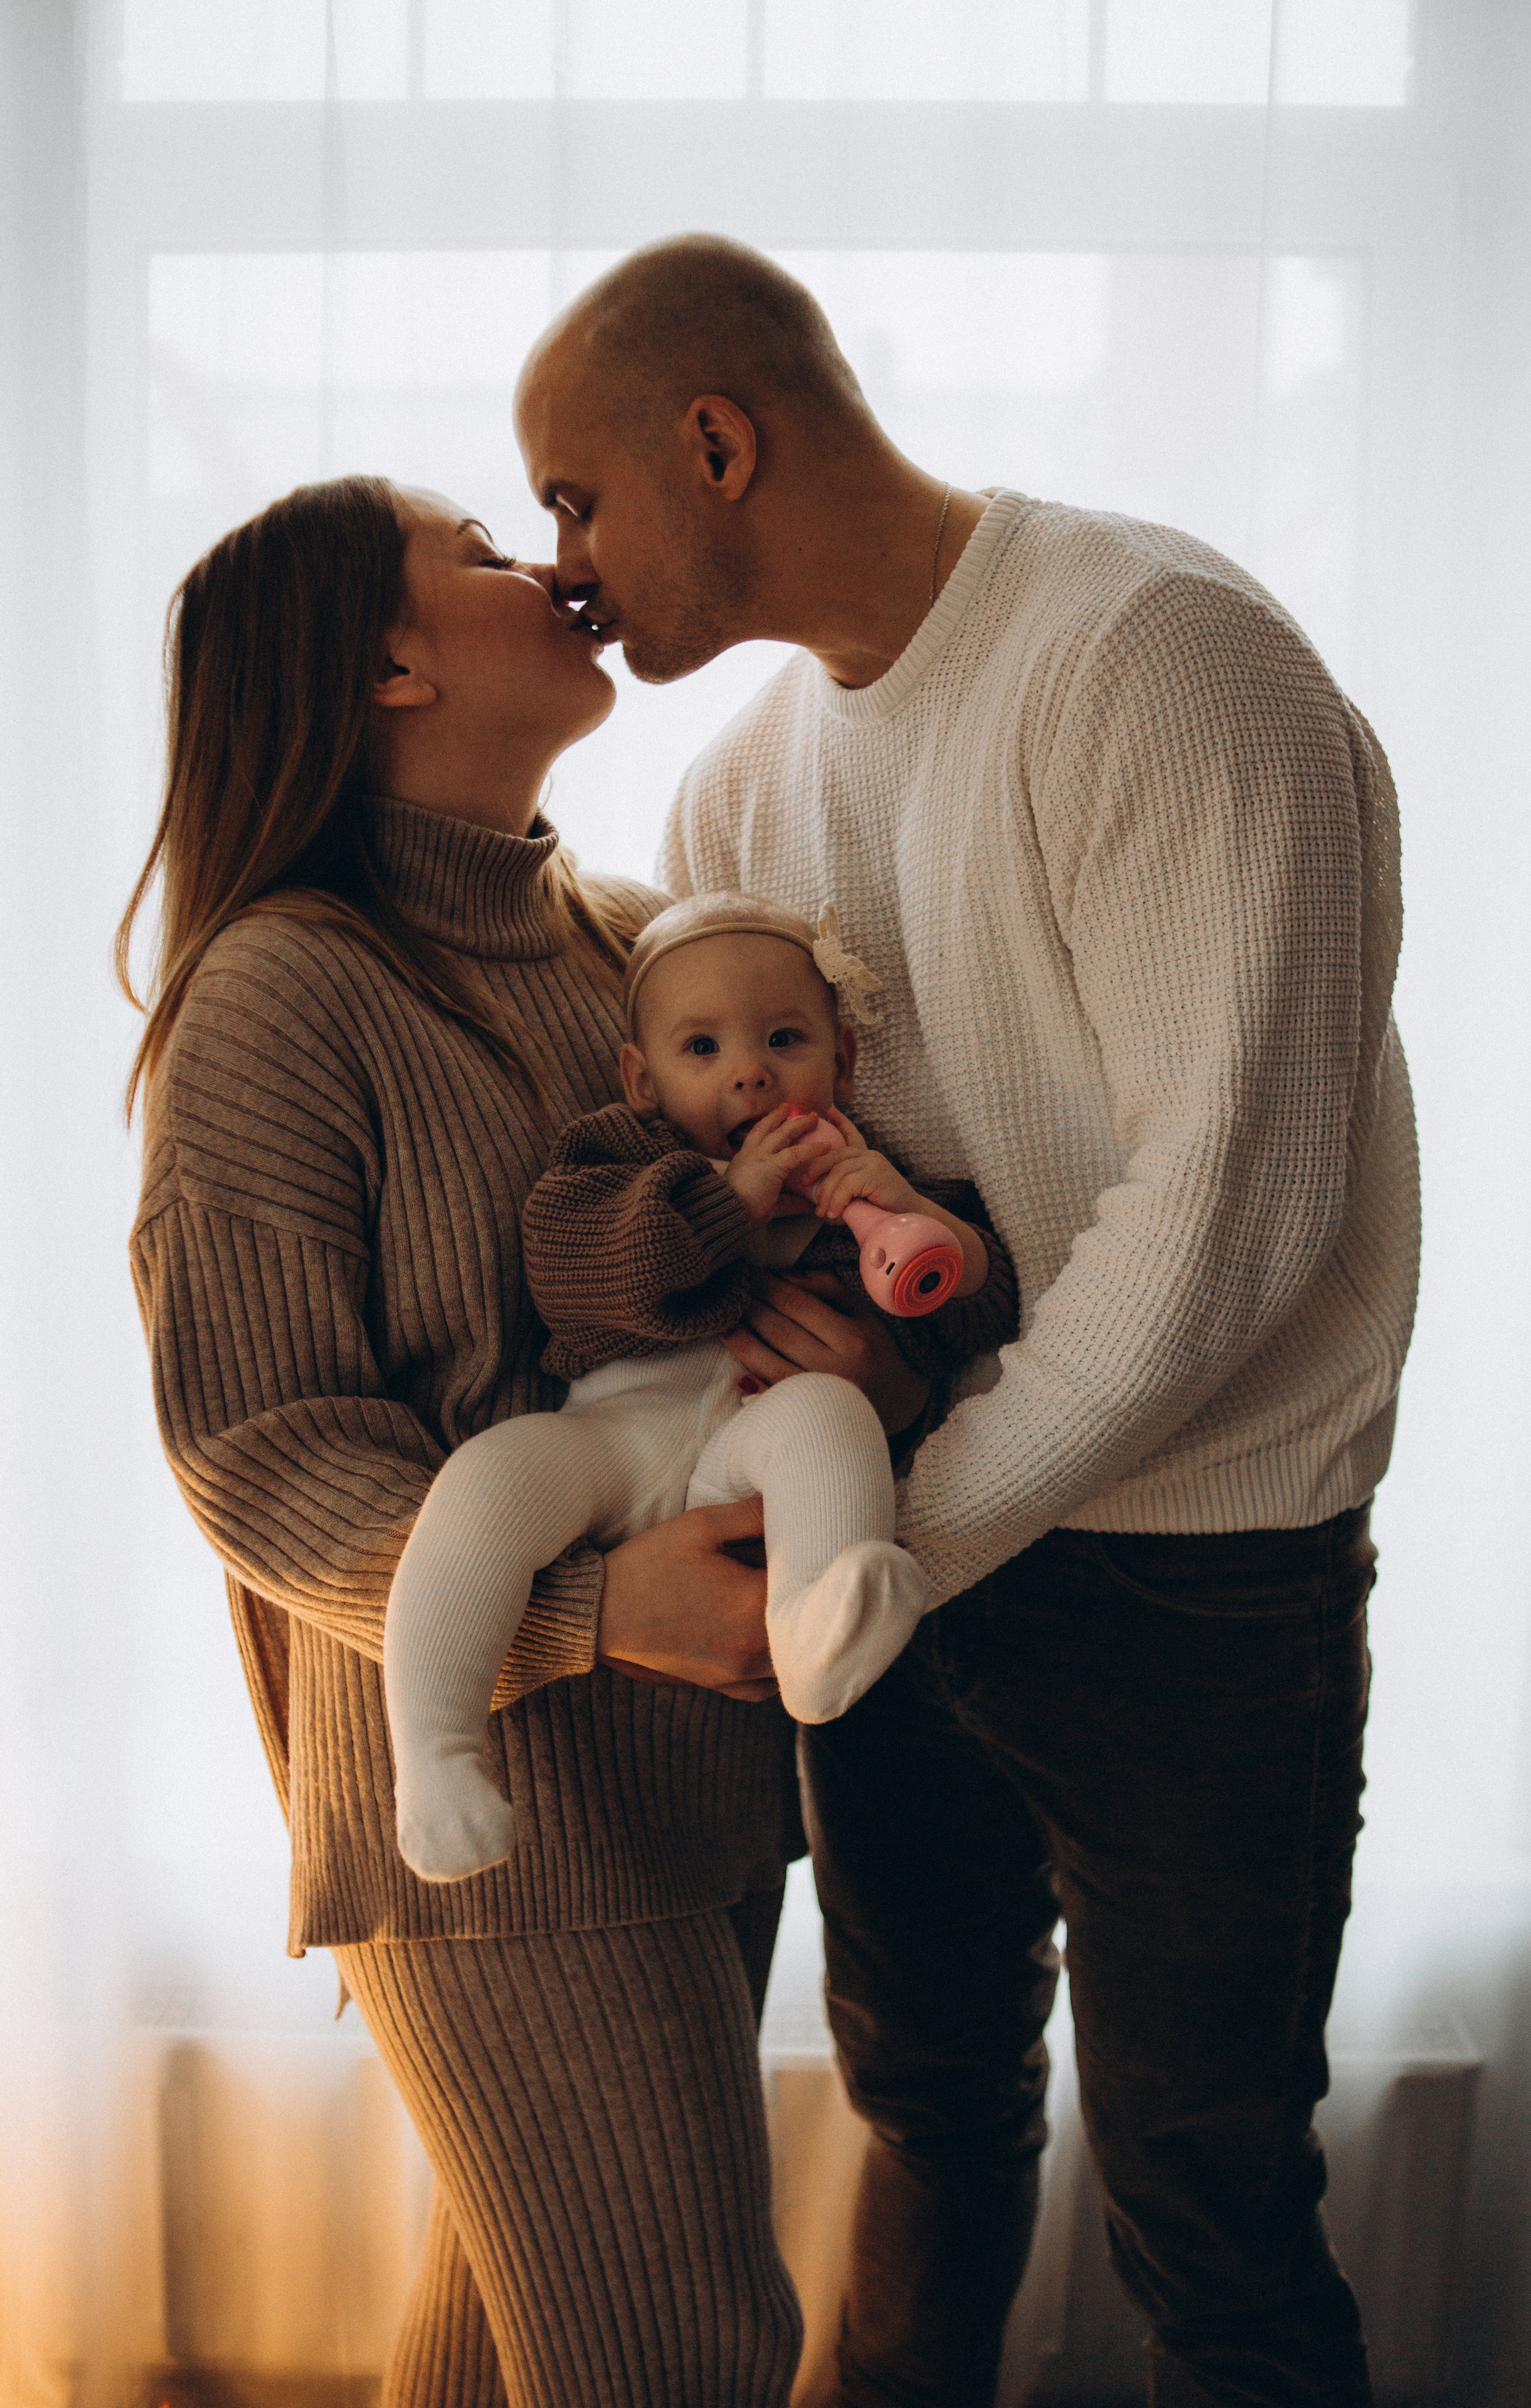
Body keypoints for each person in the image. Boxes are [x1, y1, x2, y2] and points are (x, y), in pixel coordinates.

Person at [513, 235, 1420, 2407]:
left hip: (1193, 1578)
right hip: (900, 1567)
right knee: (924, 2114)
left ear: (714, 440)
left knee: (1209, 2193)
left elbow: (1234, 1218)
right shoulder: (742, 796)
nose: (563, 567)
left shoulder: (1159, 660)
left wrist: (900, 1536)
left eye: (574, 498)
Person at [118, 473, 911, 2406]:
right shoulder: (281, 992)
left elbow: (756, 1268)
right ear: (386, 661)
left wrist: (856, 1367)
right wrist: (584, 1608)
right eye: (479, 550)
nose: (552, 564)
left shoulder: (626, 955)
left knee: (516, 2343)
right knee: (683, 2354)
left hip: (700, 1770)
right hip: (492, 1807)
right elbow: (258, 1440)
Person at [386, 890, 1017, 1880]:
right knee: (486, 1479)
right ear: (641, 1081)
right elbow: (574, 1266)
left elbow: (983, 1318)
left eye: (783, 1038)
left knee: (830, 1413)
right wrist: (729, 1202)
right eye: (703, 1050)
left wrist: (944, 1242)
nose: (751, 1072)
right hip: (614, 1437)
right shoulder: (613, 1162)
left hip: (746, 1460)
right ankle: (436, 1755)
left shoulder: (875, 1184)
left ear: (841, 1059)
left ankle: (814, 1630)